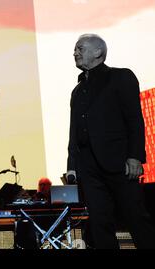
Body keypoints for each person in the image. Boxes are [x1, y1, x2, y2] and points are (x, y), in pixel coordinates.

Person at [67, 34, 155, 249]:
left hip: (120, 163)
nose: (75, 53)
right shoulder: (77, 91)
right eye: (75, 49)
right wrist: (72, 166)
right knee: (99, 223)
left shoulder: (121, 77)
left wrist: (135, 156)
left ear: (98, 52)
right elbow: (74, 131)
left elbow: (135, 119)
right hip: (89, 168)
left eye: (80, 48)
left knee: (136, 218)